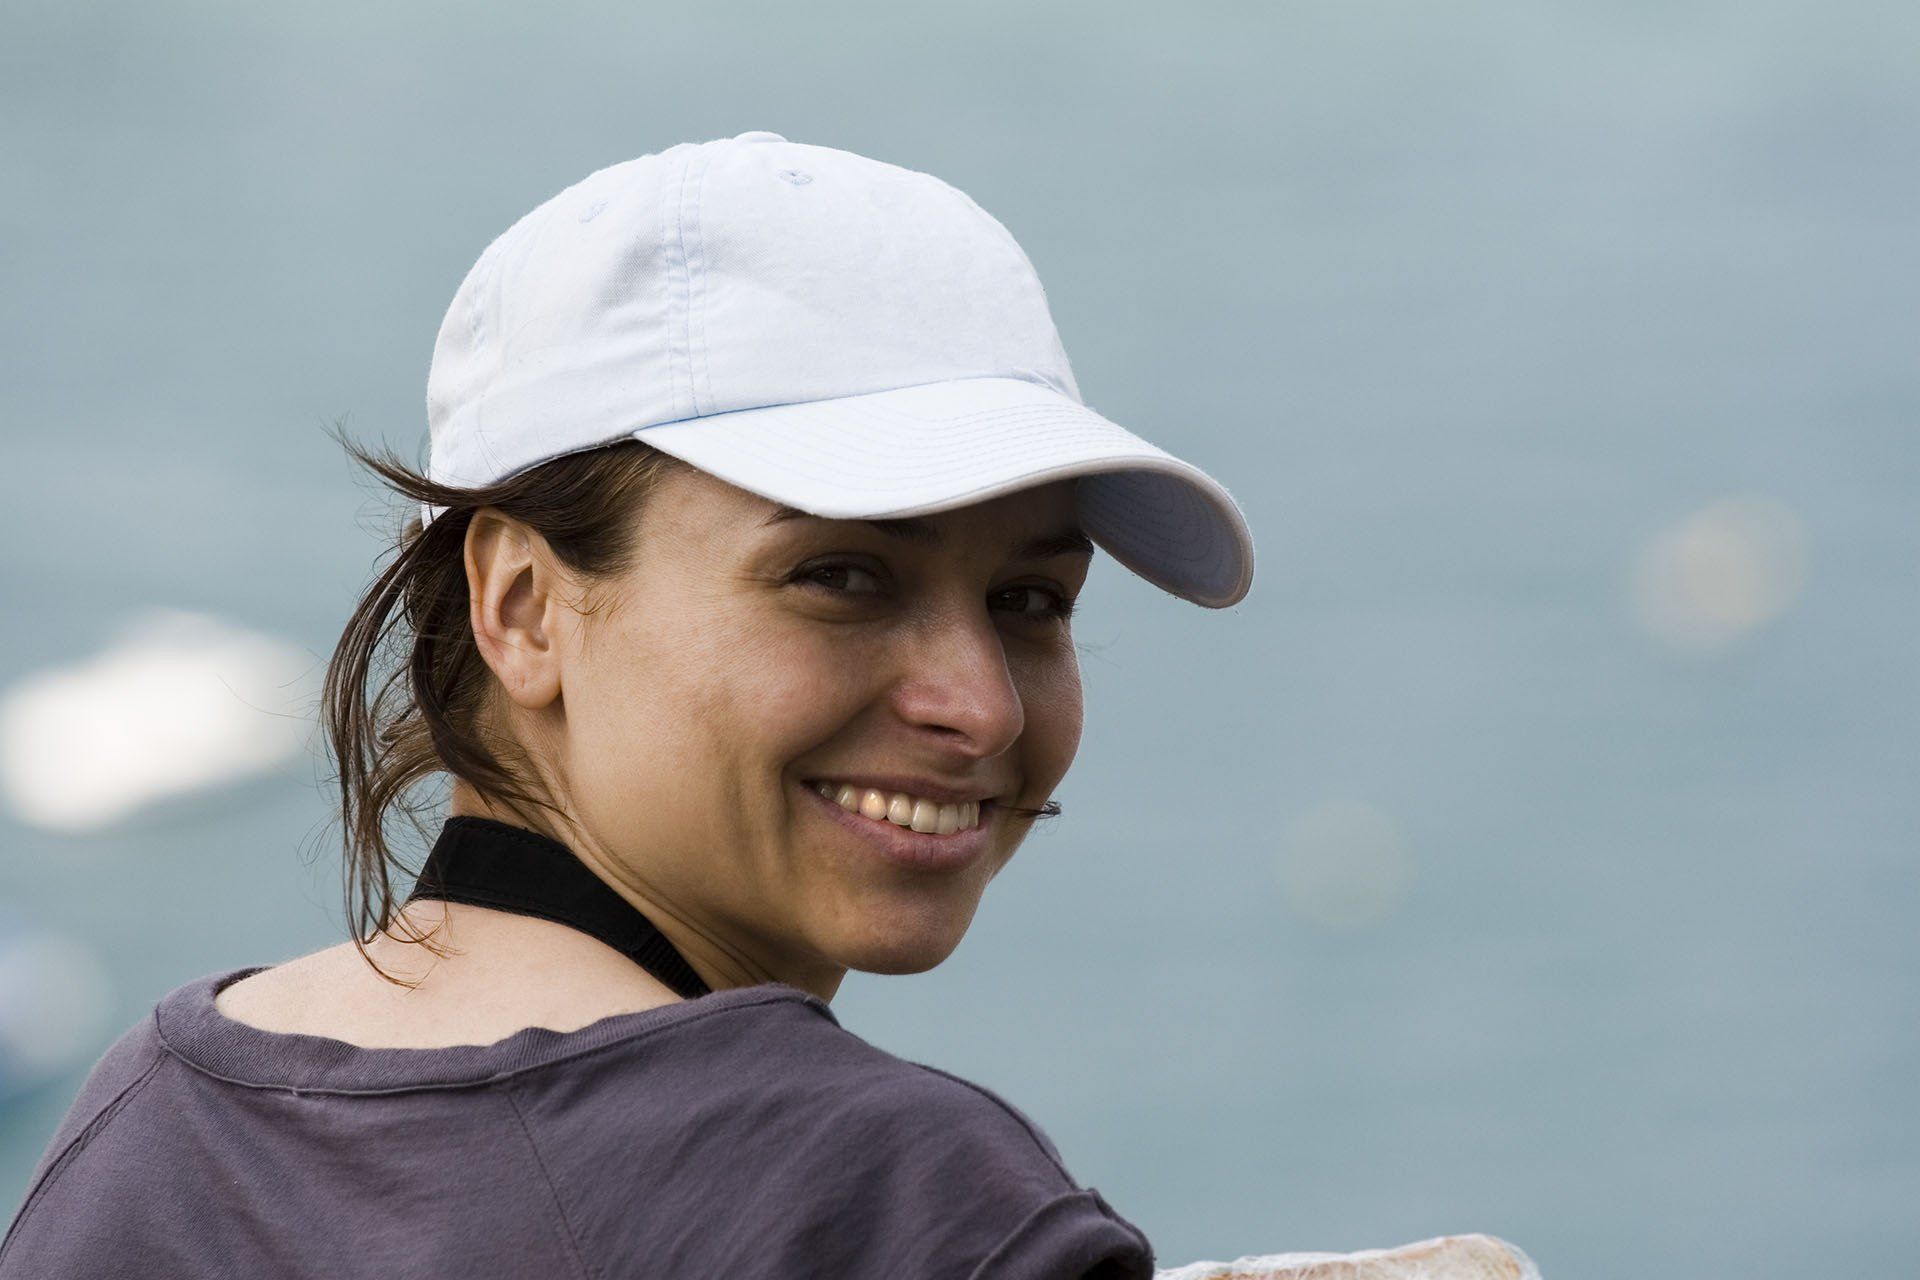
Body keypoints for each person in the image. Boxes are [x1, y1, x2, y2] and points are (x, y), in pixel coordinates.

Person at [0, 130, 1254, 1279]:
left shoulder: (155, 1119)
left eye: (1031, 600)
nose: (979, 705)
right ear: (522, 606)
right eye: (842, 575)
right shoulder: (884, 1198)